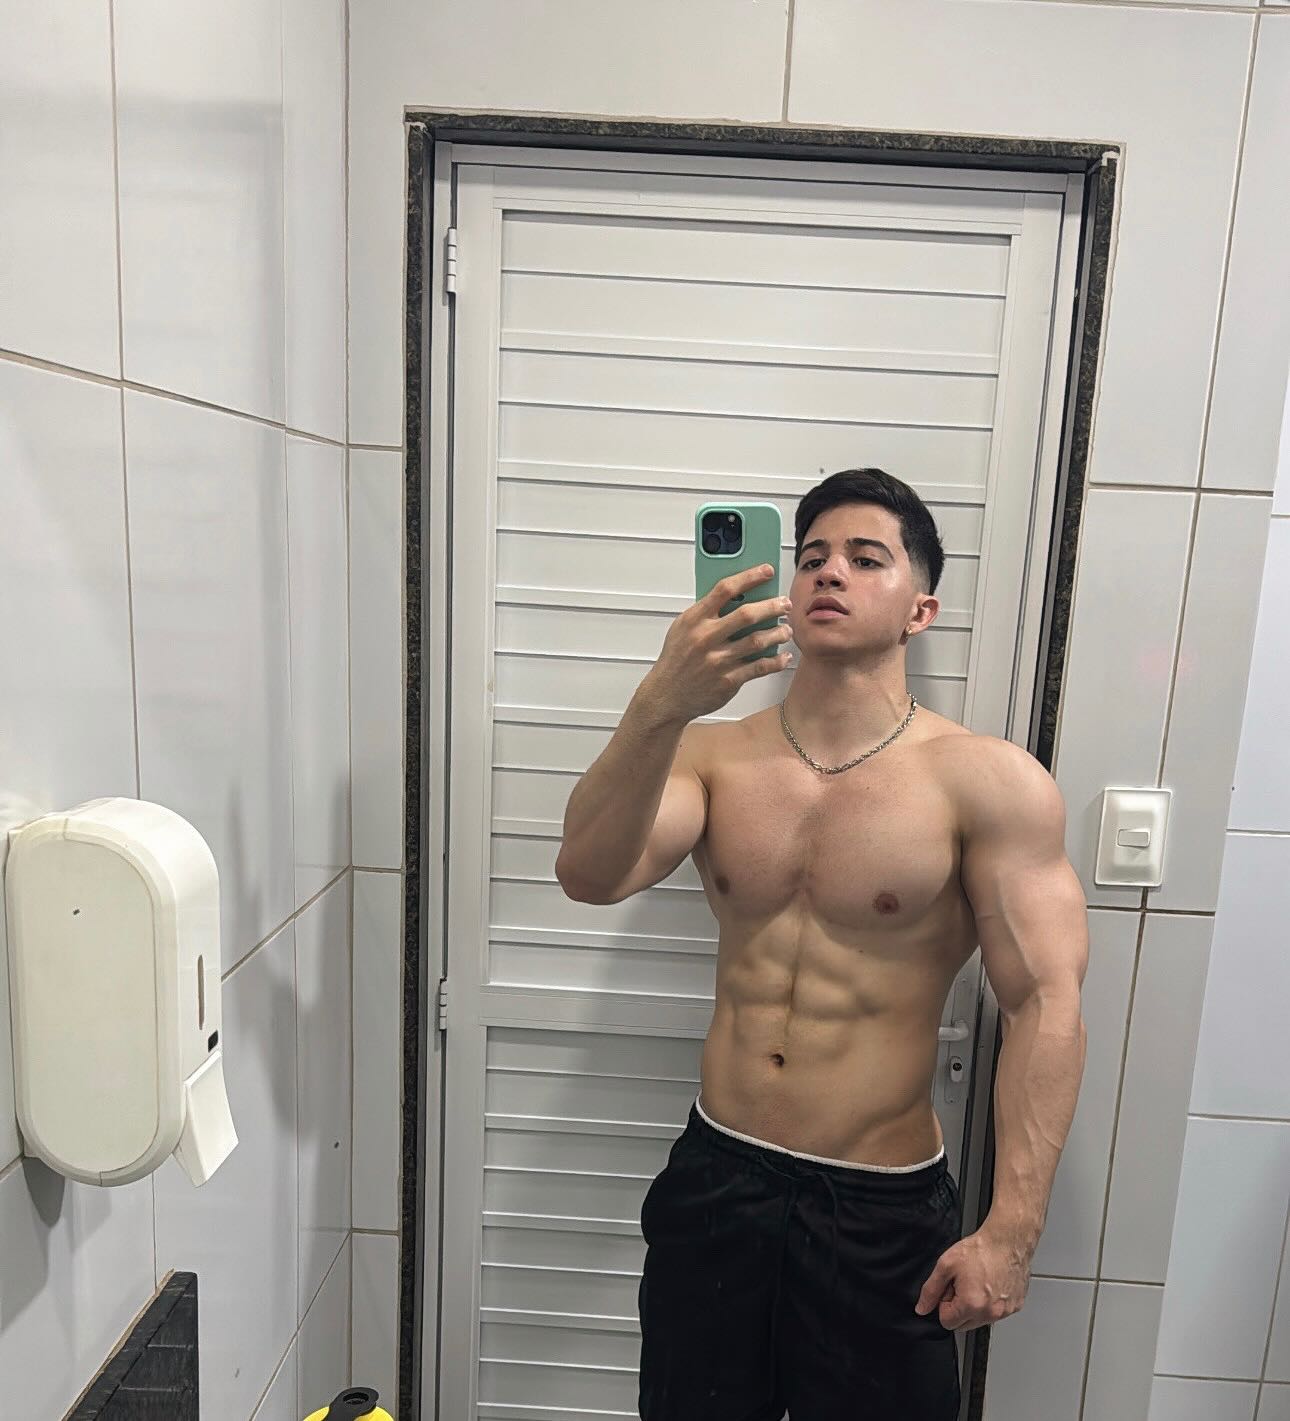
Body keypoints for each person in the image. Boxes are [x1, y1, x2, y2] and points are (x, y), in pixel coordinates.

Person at [555, 468, 1089, 1421]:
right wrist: (662, 701)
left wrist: (1012, 1229)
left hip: (880, 1210)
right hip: (719, 1182)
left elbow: (1045, 1002)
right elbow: (589, 874)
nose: (828, 572)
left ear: (921, 610)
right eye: (811, 558)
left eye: (865, 557)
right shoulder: (711, 756)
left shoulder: (989, 782)